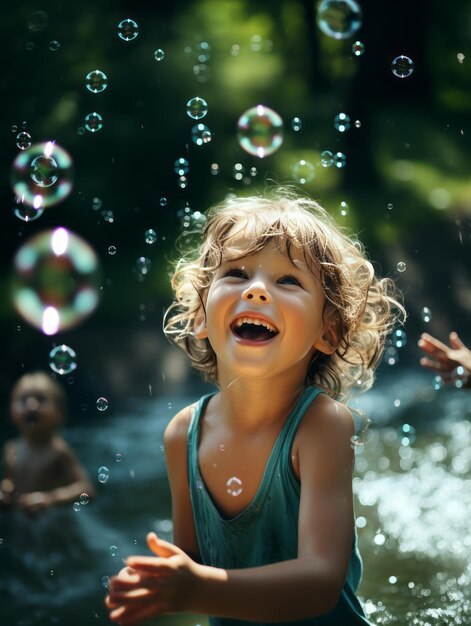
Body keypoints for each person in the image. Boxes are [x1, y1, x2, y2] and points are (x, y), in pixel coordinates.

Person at [106, 188, 405, 626]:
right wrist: (157, 580)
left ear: (329, 332)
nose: (258, 291)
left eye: (288, 281)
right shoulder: (182, 434)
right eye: (237, 274)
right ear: (200, 317)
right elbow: (190, 560)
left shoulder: (321, 427)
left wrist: (196, 588)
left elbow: (320, 581)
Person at [0, 371, 94, 514]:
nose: (31, 405)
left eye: (41, 399)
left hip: (56, 524)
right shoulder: (11, 448)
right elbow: (10, 480)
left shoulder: (58, 451)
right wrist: (6, 489)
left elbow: (86, 489)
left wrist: (49, 498)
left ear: (60, 413)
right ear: (11, 412)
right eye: (23, 400)